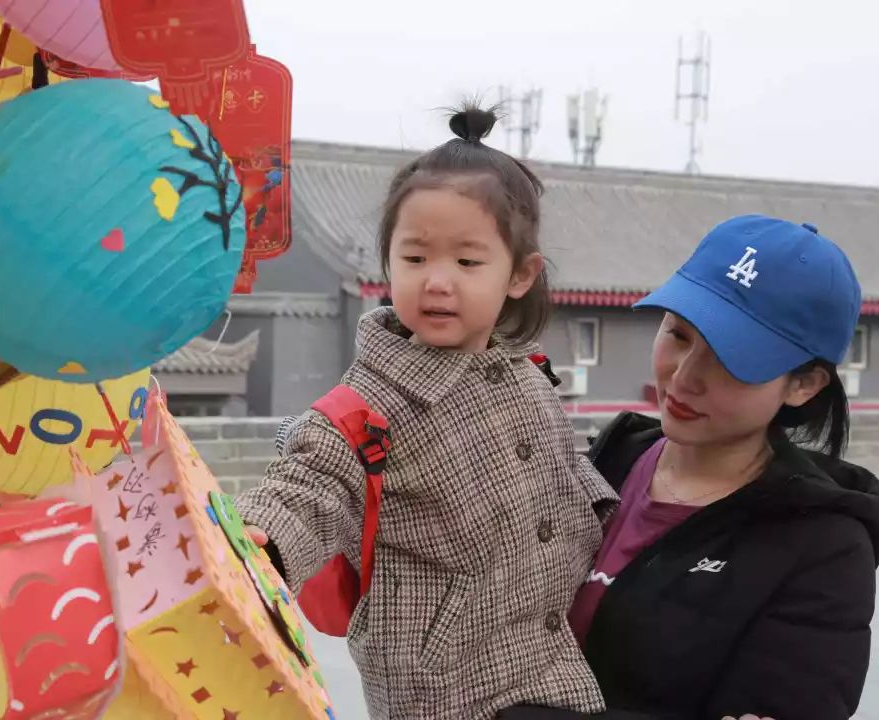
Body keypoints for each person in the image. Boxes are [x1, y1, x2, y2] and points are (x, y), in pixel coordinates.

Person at [233, 105, 618, 720]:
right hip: (444, 692)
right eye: (415, 259)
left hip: (554, 661)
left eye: (467, 262)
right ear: (389, 262)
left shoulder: (529, 377)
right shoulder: (371, 403)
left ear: (520, 275)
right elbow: (312, 484)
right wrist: (260, 539)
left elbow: (568, 485)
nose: (437, 281)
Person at [505, 215, 879, 720]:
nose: (685, 378)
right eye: (679, 334)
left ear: (803, 385)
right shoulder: (602, 464)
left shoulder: (825, 548)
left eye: (732, 359)